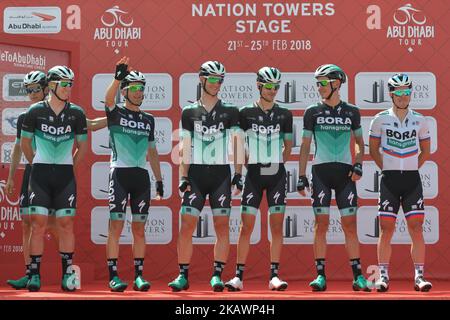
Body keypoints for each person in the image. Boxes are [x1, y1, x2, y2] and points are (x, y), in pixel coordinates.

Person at [5, 71, 107, 290]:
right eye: (27, 90)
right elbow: (17, 148)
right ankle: (30, 273)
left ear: (45, 88)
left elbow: (89, 124)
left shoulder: (70, 112)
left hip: (58, 174)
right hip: (35, 172)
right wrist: (14, 175)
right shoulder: (28, 115)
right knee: (29, 225)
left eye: (34, 89)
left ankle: (65, 271)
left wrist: (116, 116)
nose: (31, 94)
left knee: (56, 225)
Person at [168, 61, 242, 292]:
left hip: (221, 174)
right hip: (196, 174)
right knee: (186, 226)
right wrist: (183, 177)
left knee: (222, 227)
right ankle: (183, 276)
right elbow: (184, 147)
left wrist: (239, 174)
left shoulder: (230, 111)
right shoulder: (189, 111)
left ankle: (217, 275)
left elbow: (237, 143)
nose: (216, 84)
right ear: (201, 80)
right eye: (212, 79)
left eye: (220, 80)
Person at [296, 64, 370, 292]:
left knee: (350, 226)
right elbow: (306, 145)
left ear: (336, 84)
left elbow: (359, 142)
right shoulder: (312, 112)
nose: (318, 87)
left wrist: (358, 164)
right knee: (321, 225)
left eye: (322, 83)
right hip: (320, 173)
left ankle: (358, 276)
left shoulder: (352, 111)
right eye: (317, 83)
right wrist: (300, 175)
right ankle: (320, 276)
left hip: (345, 174)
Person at [20, 66, 88, 292]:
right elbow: (25, 144)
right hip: (39, 174)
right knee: (37, 225)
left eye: (71, 84)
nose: (69, 88)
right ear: (51, 85)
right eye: (65, 84)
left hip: (65, 175)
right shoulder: (34, 111)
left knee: (66, 225)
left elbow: (82, 146)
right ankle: (35, 275)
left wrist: (69, 167)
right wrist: (36, 163)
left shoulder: (77, 113)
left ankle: (68, 274)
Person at [225, 67, 292, 291]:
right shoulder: (244, 113)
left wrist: (275, 163)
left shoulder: (285, 114)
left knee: (276, 226)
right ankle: (238, 277)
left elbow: (289, 146)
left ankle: (274, 276)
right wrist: (248, 165)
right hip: (253, 173)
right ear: (259, 86)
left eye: (276, 87)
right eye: (269, 87)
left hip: (276, 173)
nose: (273, 91)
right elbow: (237, 144)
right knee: (246, 227)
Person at [104, 56, 163, 292]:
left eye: (142, 89)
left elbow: (153, 151)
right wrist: (117, 78)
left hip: (141, 178)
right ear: (126, 91)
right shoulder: (115, 113)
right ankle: (113, 276)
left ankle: (139, 276)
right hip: (119, 174)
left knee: (139, 229)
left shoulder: (148, 119)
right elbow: (108, 98)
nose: (139, 93)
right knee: (115, 227)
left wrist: (158, 179)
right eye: (135, 89)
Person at [369, 73, 432, 292]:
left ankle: (419, 276)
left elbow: (425, 150)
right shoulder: (380, 119)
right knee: (386, 229)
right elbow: (373, 149)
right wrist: (387, 168)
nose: (403, 96)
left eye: (407, 92)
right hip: (389, 180)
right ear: (391, 94)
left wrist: (412, 167)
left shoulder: (420, 119)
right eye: (399, 92)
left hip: (412, 180)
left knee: (416, 227)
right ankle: (383, 275)